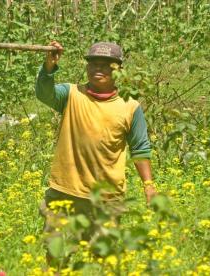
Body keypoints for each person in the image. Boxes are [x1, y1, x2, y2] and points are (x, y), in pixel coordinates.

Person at [35, 41, 157, 265]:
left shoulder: (130, 106)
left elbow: (140, 148)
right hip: (65, 193)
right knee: (57, 257)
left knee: (105, 261)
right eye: (92, 64)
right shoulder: (71, 94)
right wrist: (49, 67)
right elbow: (45, 94)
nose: (97, 69)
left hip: (106, 200)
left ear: (118, 70)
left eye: (105, 65)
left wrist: (148, 186)